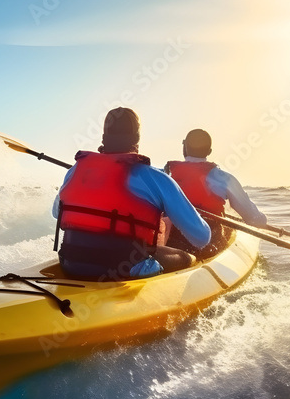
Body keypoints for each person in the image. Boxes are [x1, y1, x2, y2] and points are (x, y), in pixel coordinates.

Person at [52, 108, 211, 280]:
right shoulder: (156, 178)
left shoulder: (75, 171)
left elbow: (56, 213)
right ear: (137, 138)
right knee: (188, 258)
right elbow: (201, 237)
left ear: (104, 136)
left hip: (71, 263)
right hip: (125, 269)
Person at [164, 129, 267, 258]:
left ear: (184, 147)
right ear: (209, 152)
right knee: (227, 230)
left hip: (171, 240)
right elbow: (254, 220)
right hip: (208, 243)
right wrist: (262, 220)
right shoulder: (223, 177)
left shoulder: (166, 174)